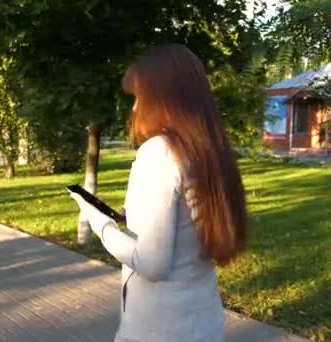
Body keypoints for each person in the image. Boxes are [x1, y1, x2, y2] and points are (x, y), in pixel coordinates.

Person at [70, 44, 248, 342]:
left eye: (141, 97)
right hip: (203, 322)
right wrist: (136, 216)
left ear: (164, 99)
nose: (136, 107)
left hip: (158, 328)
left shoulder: (159, 152)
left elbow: (152, 264)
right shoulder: (210, 151)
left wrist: (100, 222)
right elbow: (187, 224)